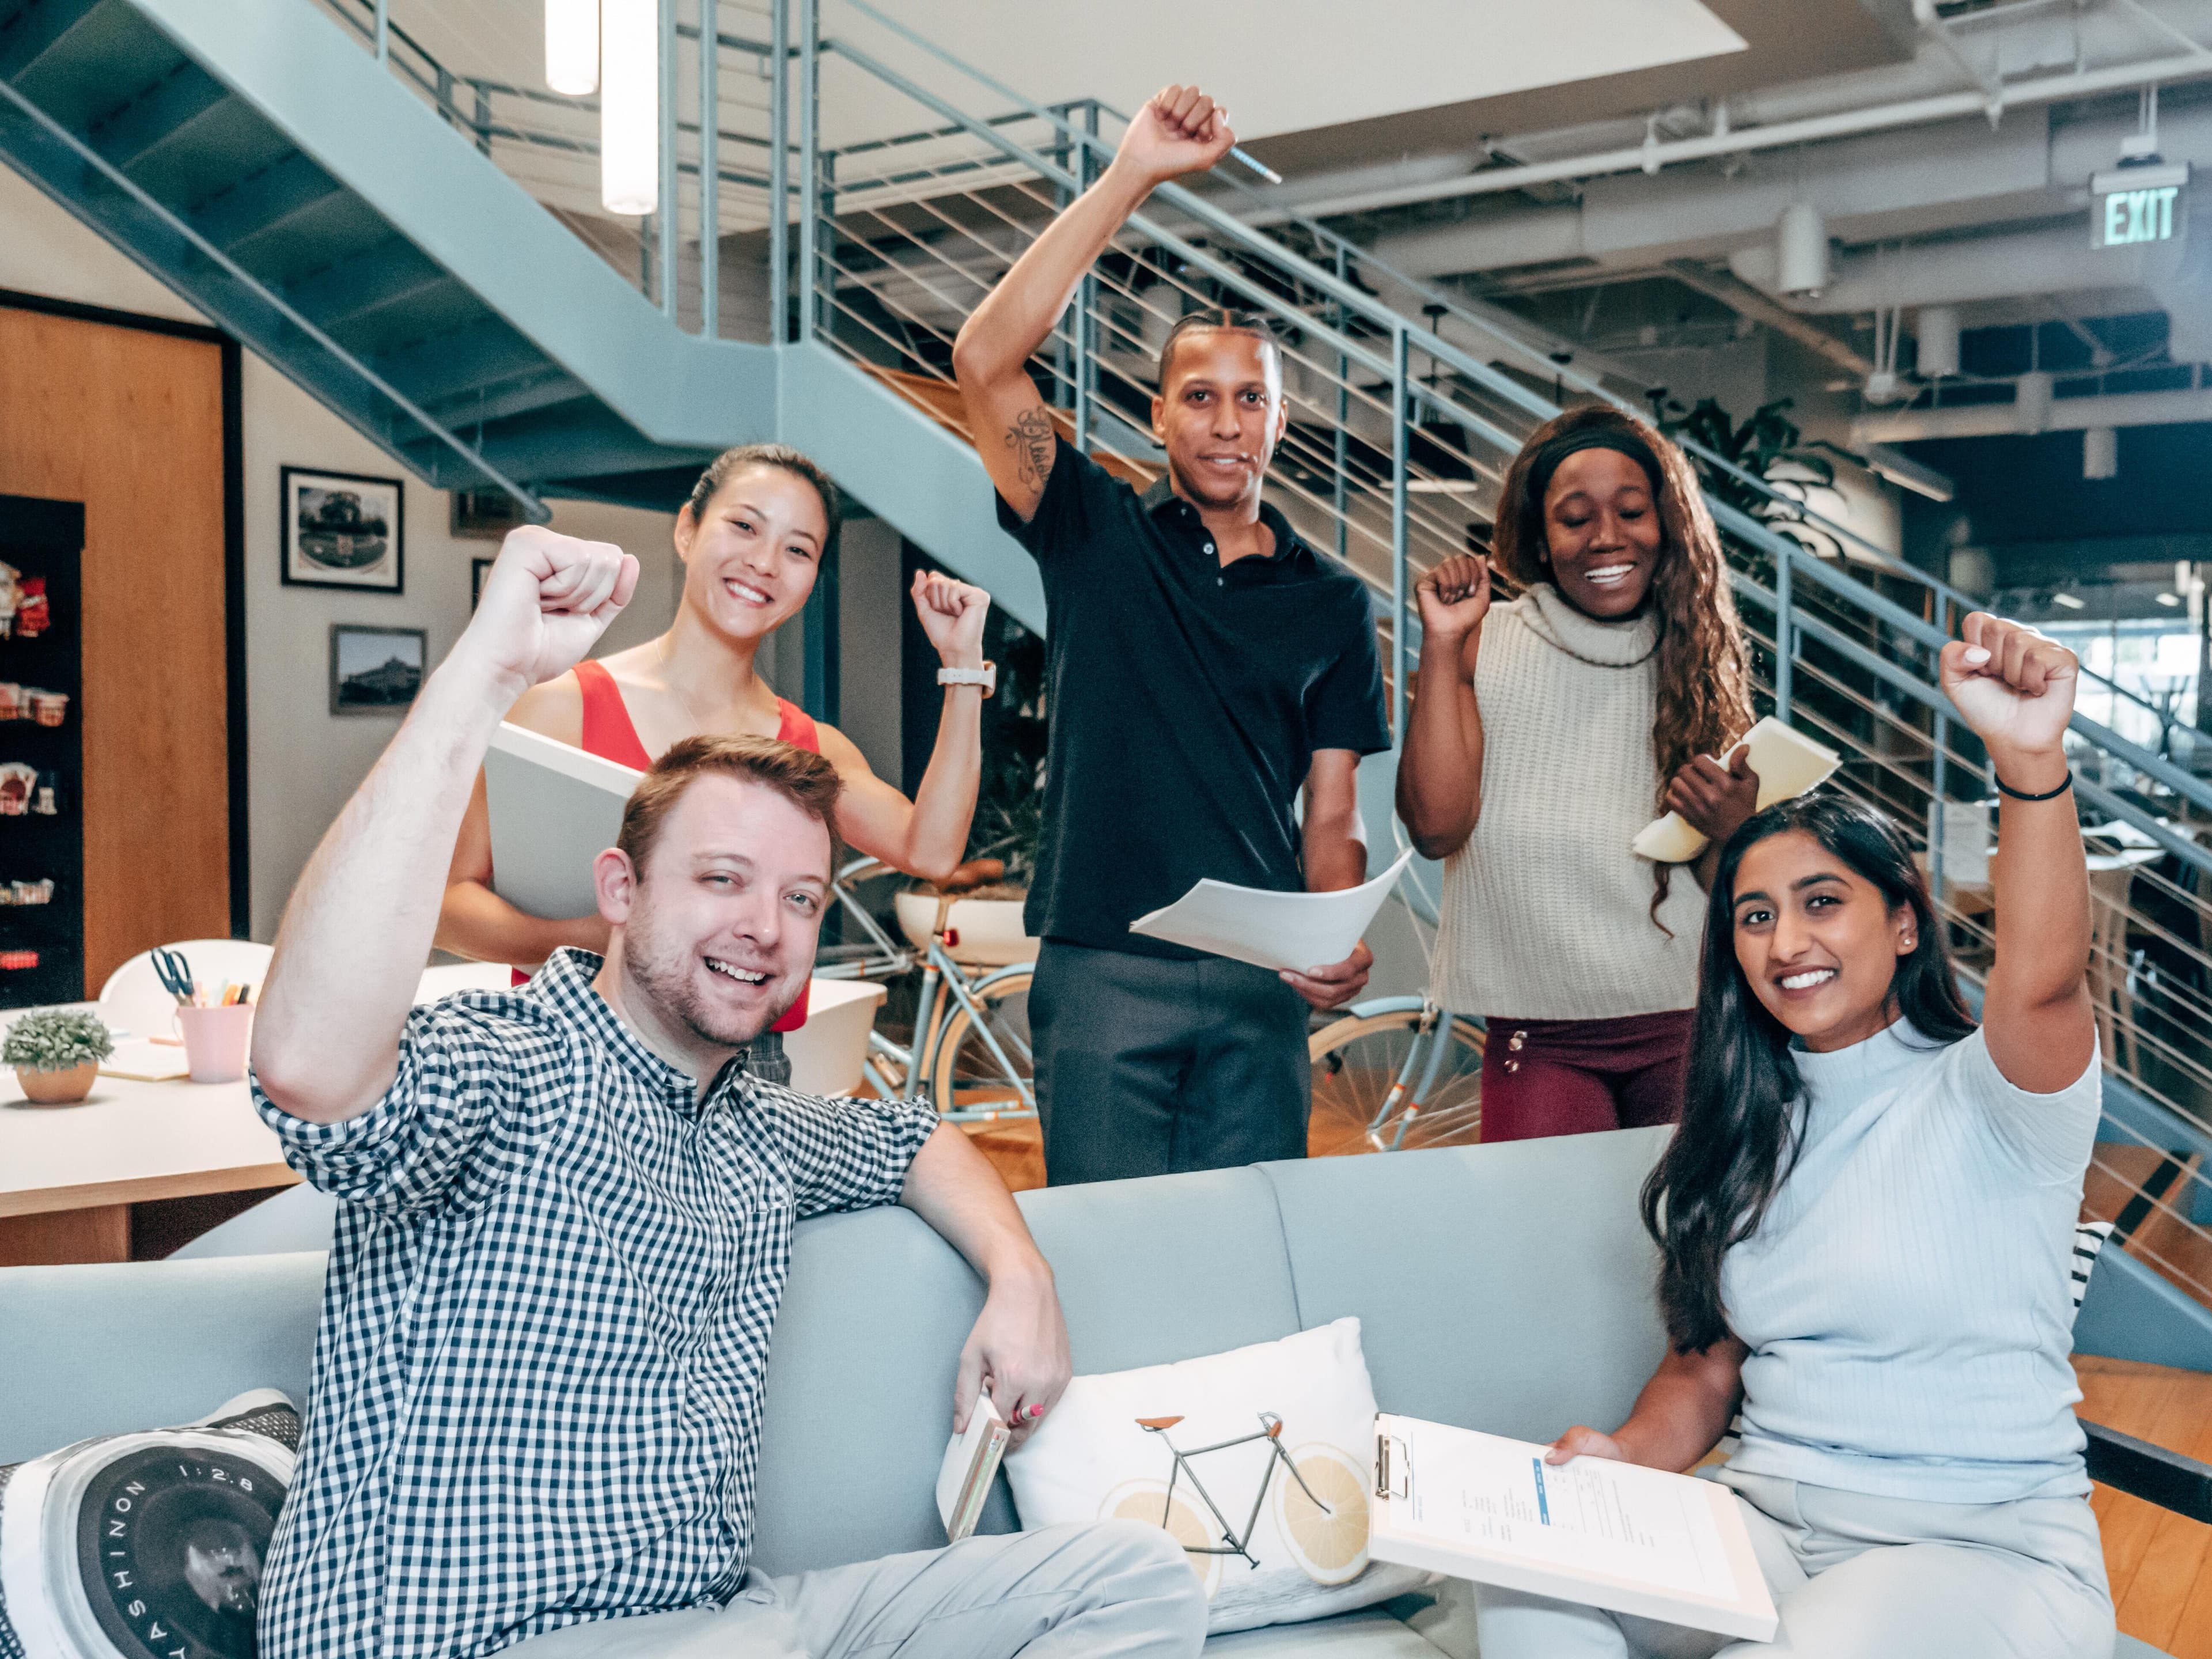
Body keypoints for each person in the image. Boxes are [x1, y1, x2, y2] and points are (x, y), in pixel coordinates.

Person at [248, 527, 1206, 1659]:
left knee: (1132, 1580)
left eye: (801, 900)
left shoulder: (757, 1124)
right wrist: (485, 677)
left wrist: (1021, 1274)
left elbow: (909, 1136)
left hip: (727, 1620)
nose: (766, 929)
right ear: (621, 888)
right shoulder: (508, 1065)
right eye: (721, 881)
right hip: (469, 1638)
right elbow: (311, 1067)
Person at [1474, 613, 2115, 1658]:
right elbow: (1703, 1370)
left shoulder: (1998, 1092)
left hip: (1981, 1551)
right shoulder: (1741, 1123)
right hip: (1770, 1523)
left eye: (1824, 901)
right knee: (1526, 1585)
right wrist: (1624, 1459)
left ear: (1903, 921)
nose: (1788, 943)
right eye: (1756, 916)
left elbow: (2043, 977)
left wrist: (2030, 759)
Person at [950, 84, 1390, 1184]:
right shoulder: (1093, 532)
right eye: (1200, 396)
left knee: (1248, 1261)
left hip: (1257, 984)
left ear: (1280, 422)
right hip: (1104, 969)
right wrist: (1132, 174)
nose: (1227, 422)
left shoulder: (1333, 601)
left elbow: (1330, 813)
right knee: (1105, 1267)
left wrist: (1330, 935)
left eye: (1252, 400)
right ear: (1158, 416)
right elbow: (983, 361)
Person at [437, 443, 996, 1085]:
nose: (763, 563)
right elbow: (449, 905)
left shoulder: (810, 747)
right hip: (573, 1059)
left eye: (798, 549)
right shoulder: (560, 710)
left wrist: (961, 668)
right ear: (686, 529)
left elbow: (931, 851)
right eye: (745, 526)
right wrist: (602, 937)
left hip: (744, 1073)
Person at [1396, 405, 1758, 1142]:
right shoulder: (1479, 645)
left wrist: (1738, 832)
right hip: (1541, 1037)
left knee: (1687, 1256)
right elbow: (1435, 829)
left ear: (1669, 527)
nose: (1607, 538)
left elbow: (1740, 890)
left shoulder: (1700, 661)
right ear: (1538, 536)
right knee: (1544, 1254)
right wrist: (1439, 646)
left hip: (1687, 1025)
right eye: (1574, 518)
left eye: (1632, 511)